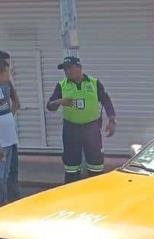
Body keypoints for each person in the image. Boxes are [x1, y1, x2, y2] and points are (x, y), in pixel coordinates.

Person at [46, 56, 116, 184]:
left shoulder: (94, 83)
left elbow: (106, 101)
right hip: (71, 129)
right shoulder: (62, 86)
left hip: (92, 128)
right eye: (65, 70)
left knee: (96, 165)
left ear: (79, 68)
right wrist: (59, 101)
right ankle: (72, 193)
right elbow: (50, 106)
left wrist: (112, 121)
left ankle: (96, 191)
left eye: (69, 68)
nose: (67, 72)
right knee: (71, 167)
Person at [0, 50, 20, 202]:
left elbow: (16, 103)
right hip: (2, 142)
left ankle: (13, 203)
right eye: (8, 69)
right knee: (2, 177)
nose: (11, 71)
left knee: (11, 174)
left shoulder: (6, 85)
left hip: (10, 138)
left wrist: (8, 120)